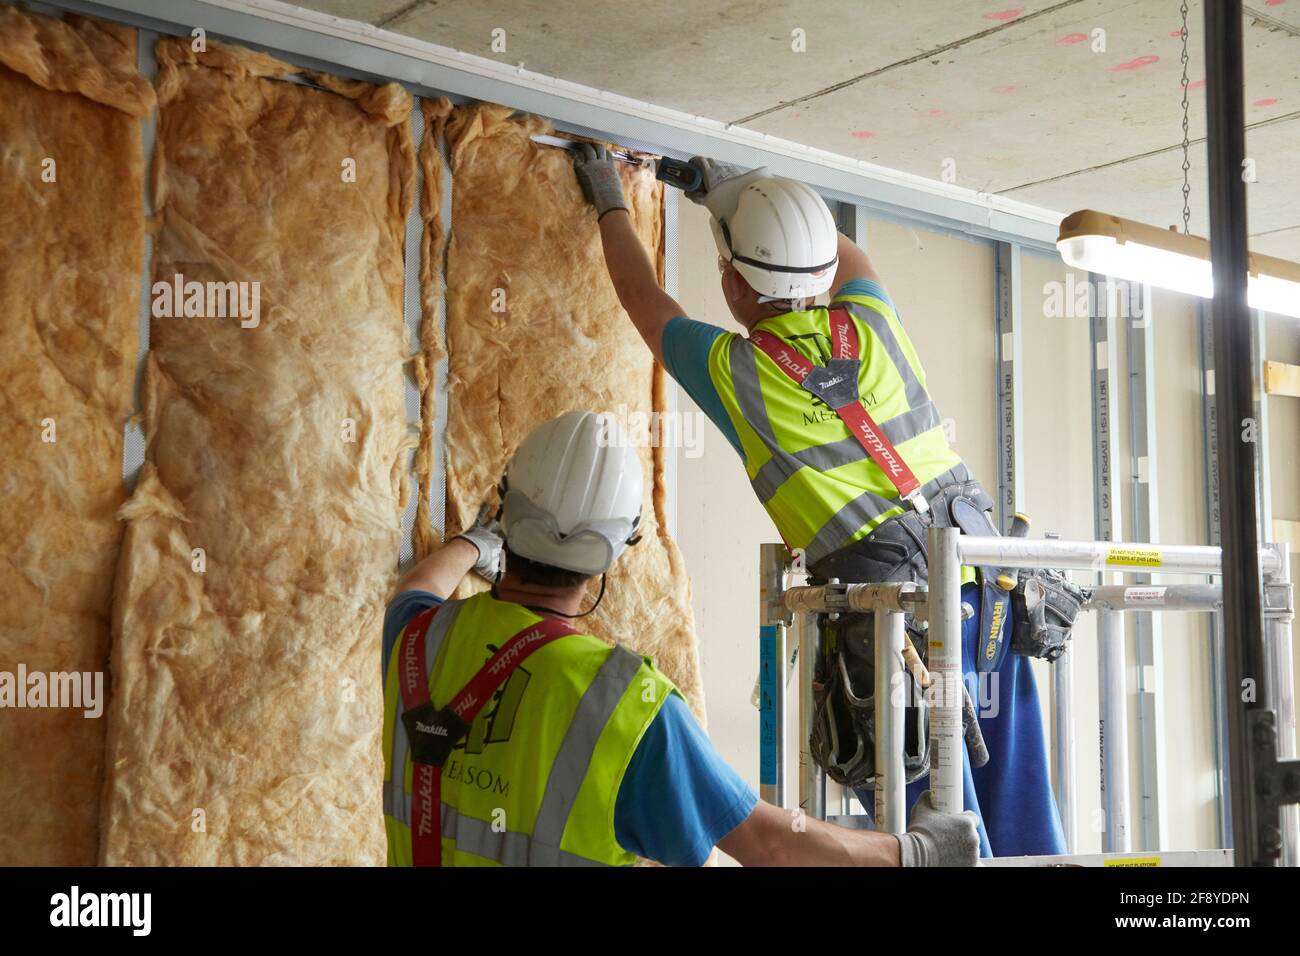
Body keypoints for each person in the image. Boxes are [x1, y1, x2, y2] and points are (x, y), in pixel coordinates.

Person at [572, 148, 1081, 857]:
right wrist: (746, 188)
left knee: (941, 834)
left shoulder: (737, 371)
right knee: (1022, 819)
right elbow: (854, 260)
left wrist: (608, 198)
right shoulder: (871, 324)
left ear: (733, 282)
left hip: (899, 634)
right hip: (985, 598)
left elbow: (643, 301)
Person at [382, 409, 980, 866]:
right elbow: (770, 844)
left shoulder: (416, 643)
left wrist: (475, 543)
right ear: (620, 548)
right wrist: (915, 852)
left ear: (506, 512)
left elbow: (417, 588)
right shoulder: (622, 703)